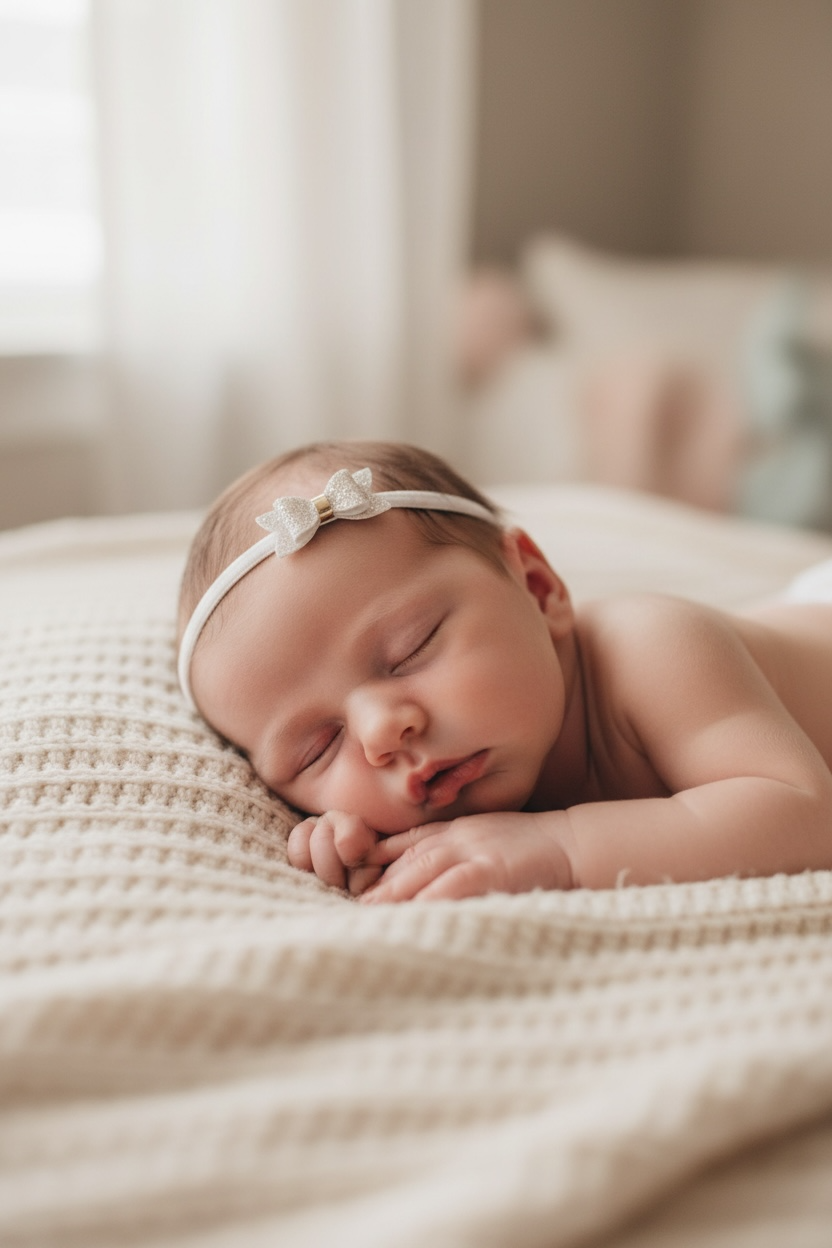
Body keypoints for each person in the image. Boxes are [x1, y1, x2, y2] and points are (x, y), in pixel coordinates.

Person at [177, 440, 832, 903]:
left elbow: (803, 814)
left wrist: (561, 848)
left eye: (412, 648)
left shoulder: (654, 648)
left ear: (540, 587)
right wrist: (351, 840)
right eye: (318, 748)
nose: (381, 734)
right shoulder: (435, 774)